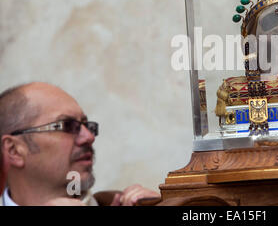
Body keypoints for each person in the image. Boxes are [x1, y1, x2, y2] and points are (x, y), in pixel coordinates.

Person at [0, 82, 160, 206]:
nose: (89, 137)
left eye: (86, 125)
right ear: (14, 150)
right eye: (66, 126)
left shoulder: (132, 203)